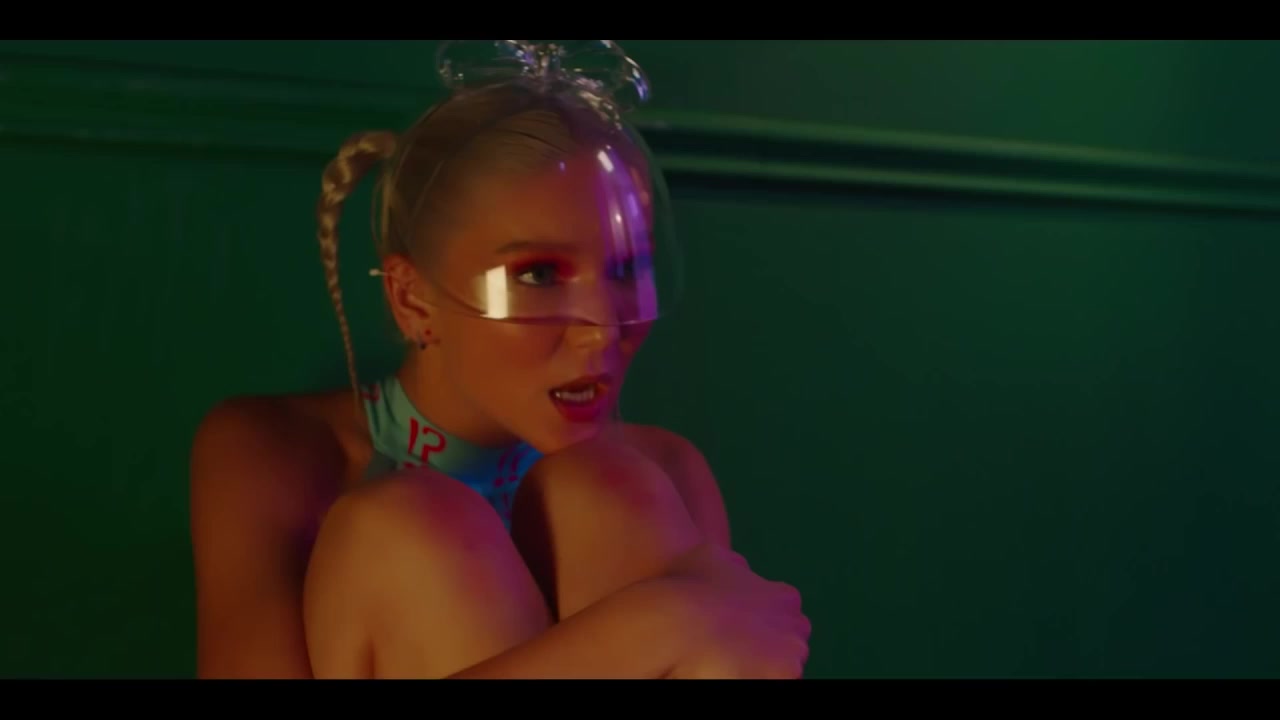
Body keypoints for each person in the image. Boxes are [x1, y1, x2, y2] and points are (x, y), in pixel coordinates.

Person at [189, 40, 810, 679]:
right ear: (413, 300)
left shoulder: (666, 471)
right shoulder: (280, 455)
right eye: (539, 274)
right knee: (409, 526)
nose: (601, 331)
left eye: (626, 270)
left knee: (612, 489)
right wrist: (658, 624)